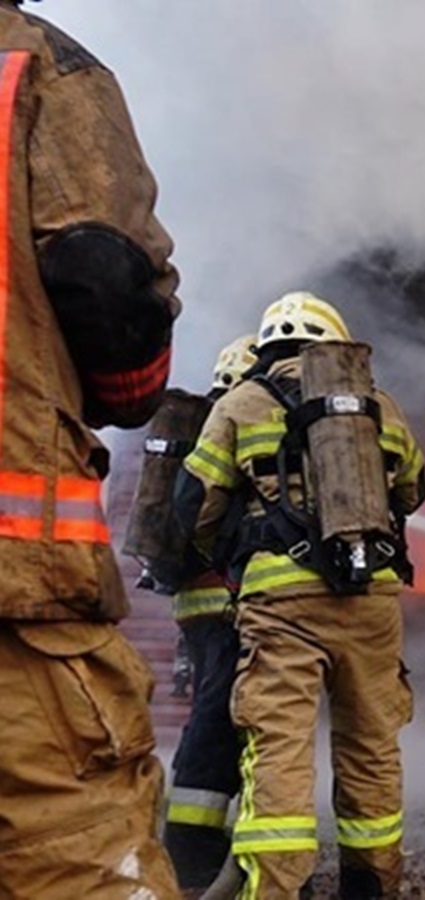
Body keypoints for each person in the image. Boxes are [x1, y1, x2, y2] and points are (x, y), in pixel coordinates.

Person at [0, 3, 181, 897]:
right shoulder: (36, 67)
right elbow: (106, 281)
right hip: (15, 593)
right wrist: (129, 391)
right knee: (79, 855)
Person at [176, 292, 425, 899]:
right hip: (370, 601)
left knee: (279, 750)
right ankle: (371, 886)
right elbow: (414, 490)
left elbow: (194, 506)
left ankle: (275, 890)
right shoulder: (379, 406)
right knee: (371, 746)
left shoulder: (241, 403)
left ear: (267, 347)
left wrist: (235, 553)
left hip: (281, 607)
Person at [161, 334, 257, 890]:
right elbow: (210, 513)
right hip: (222, 598)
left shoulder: (209, 422)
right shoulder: (231, 425)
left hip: (200, 602)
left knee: (218, 715)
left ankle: (203, 840)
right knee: (218, 719)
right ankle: (192, 851)